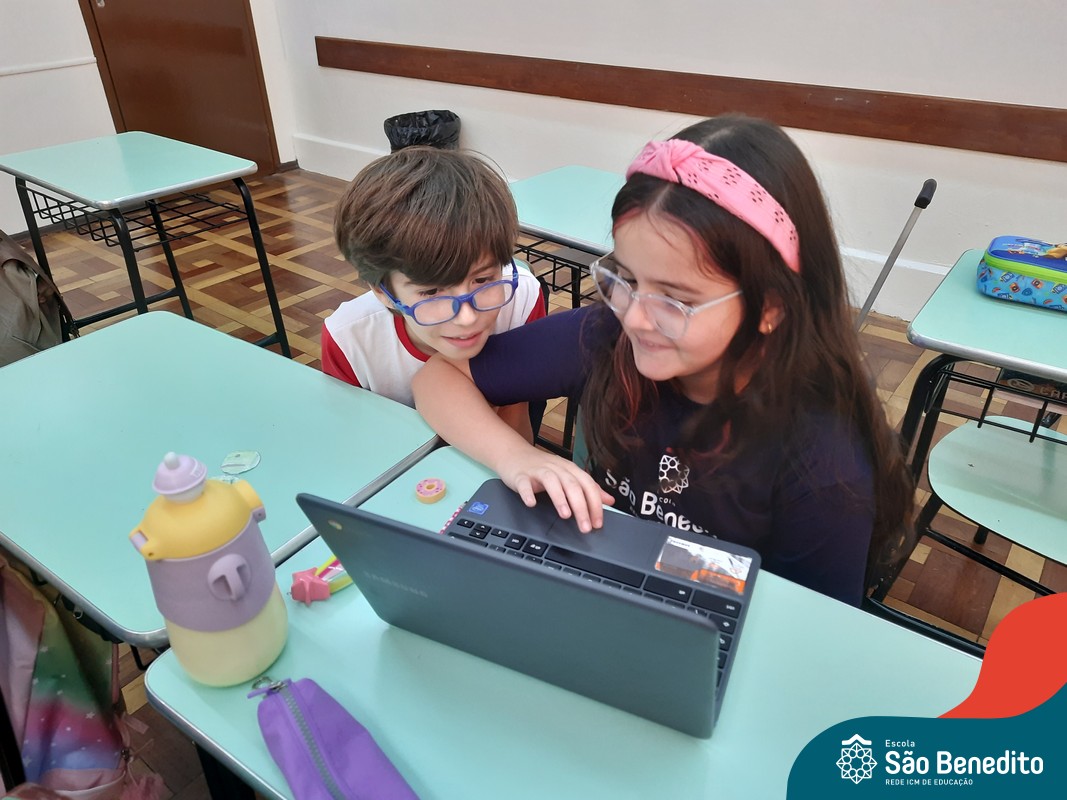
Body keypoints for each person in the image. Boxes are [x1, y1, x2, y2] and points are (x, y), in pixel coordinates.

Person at [412, 114, 914, 606]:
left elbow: (814, 629)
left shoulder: (823, 464)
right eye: (626, 279)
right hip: (605, 589)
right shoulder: (606, 337)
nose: (635, 318)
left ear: (770, 307)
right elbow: (436, 378)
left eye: (675, 299)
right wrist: (518, 457)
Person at [322, 145, 546, 431]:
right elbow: (357, 438)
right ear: (381, 291)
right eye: (431, 292)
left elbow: (519, 424)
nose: (466, 317)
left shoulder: (522, 299)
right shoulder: (350, 341)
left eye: (482, 280)